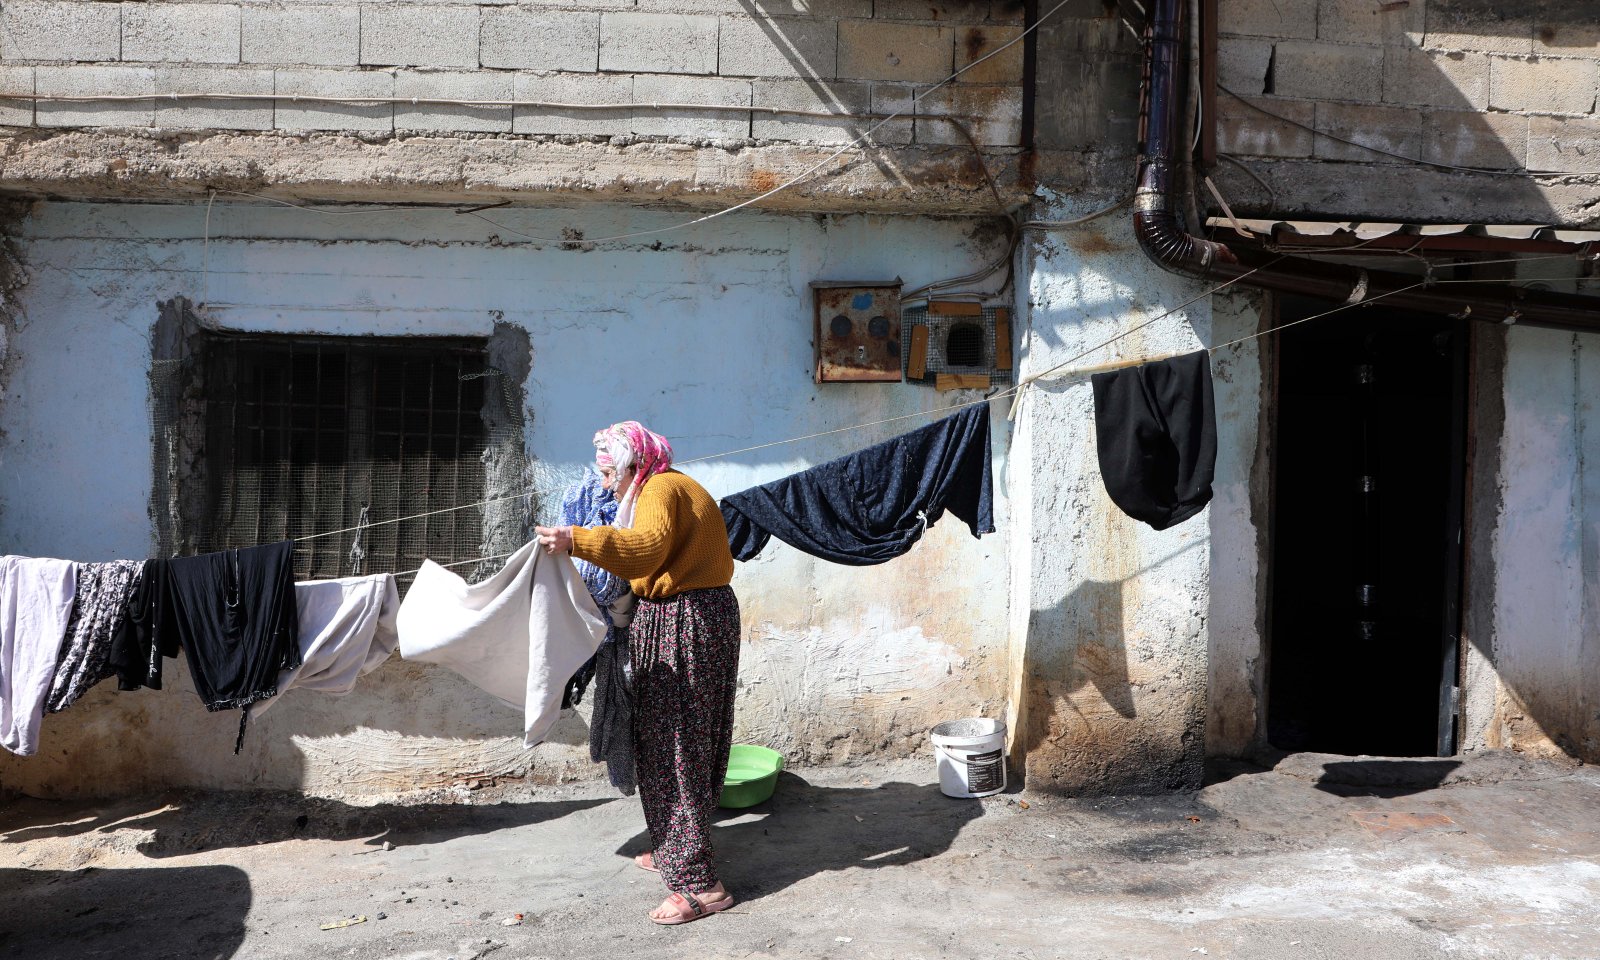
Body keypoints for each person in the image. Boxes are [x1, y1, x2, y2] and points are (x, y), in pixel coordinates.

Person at [535, 421, 740, 926]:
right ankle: (677, 849)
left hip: (684, 620)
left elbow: (646, 548)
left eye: (610, 473)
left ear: (633, 465)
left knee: (674, 745)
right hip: (690, 615)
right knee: (681, 740)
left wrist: (575, 539)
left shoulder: (661, 489)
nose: (605, 484)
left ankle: (702, 886)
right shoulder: (668, 485)